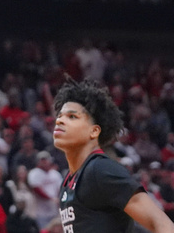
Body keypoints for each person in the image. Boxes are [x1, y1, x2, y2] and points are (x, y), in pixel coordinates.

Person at [52, 80, 174, 233]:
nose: (59, 120)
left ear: (94, 131)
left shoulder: (101, 170)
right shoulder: (68, 181)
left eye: (72, 116)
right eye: (60, 115)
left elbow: (162, 224)